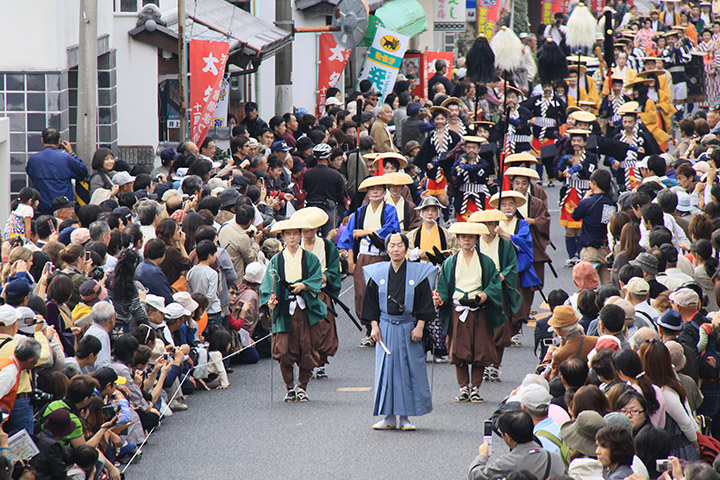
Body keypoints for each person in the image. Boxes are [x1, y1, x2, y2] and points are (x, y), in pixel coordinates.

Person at [362, 232, 436, 430]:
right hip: (385, 326)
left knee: (408, 371)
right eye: (392, 245)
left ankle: (405, 417)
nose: (395, 249)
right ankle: (388, 417)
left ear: (406, 249)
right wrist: (374, 326)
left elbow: (424, 301)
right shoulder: (378, 273)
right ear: (386, 249)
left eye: (399, 245)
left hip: (408, 327)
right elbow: (370, 302)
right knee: (386, 372)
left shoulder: (417, 273)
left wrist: (420, 325)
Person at [259, 219, 326, 403]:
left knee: (308, 347)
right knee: (284, 349)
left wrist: (304, 285)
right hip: (284, 308)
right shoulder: (276, 259)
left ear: (301, 235)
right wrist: (270, 300)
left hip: (304, 308)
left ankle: (302, 387)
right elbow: (268, 285)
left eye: (295, 233)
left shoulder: (310, 258)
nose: (292, 237)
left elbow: (317, 277)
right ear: (282, 237)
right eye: (288, 234)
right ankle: (289, 387)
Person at [435, 222, 503, 402]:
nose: (466, 240)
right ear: (458, 239)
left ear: (476, 239)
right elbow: (443, 288)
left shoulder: (486, 261)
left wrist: (485, 295)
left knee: (480, 350)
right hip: (458, 310)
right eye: (463, 236)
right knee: (459, 351)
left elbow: (494, 284)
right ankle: (463, 387)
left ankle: (476, 388)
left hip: (478, 309)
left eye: (470, 237)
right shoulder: (450, 262)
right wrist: (439, 299)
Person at [337, 175, 400, 347]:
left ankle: (382, 329)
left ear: (384, 191)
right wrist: (350, 260)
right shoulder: (359, 212)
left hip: (381, 257)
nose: (375, 192)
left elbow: (391, 231)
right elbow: (349, 237)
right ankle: (370, 331)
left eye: (378, 189)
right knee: (361, 294)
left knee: (382, 294)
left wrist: (365, 232)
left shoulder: (389, 210)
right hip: (363, 257)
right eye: (372, 189)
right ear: (367, 192)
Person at [293, 208, 341, 380]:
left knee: (323, 329)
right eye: (305, 230)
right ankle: (307, 364)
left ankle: (320, 364)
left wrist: (326, 276)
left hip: (321, 293)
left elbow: (335, 268)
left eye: (312, 229)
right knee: (304, 331)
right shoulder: (295, 247)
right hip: (302, 294)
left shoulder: (327, 246)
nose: (308, 233)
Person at [468, 410, 565, 480]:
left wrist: (482, 456)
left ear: (508, 437)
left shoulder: (506, 463)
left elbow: (474, 475)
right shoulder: (553, 457)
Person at [25, 128, 88, 215]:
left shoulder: (34, 159)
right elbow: (82, 172)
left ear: (42, 140)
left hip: (42, 207)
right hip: (63, 207)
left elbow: (30, 174)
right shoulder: (66, 158)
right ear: (59, 141)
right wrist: (71, 153)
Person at [572, 169, 617, 285]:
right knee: (608, 286)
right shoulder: (610, 203)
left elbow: (575, 215)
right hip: (605, 250)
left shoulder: (588, 202)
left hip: (590, 250)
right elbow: (606, 224)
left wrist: (585, 198)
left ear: (594, 183)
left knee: (586, 285)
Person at [303, 144, 347, 237]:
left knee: (310, 236)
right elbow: (340, 194)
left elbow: (305, 190)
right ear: (329, 157)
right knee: (329, 237)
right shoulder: (335, 174)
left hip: (312, 208)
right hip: (329, 208)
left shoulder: (307, 173)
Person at [187, 240, 222, 326]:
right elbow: (211, 296)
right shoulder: (212, 273)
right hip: (211, 312)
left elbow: (190, 292)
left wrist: (197, 310)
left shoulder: (191, 272)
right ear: (210, 255)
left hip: (196, 311)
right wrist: (203, 311)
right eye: (215, 254)